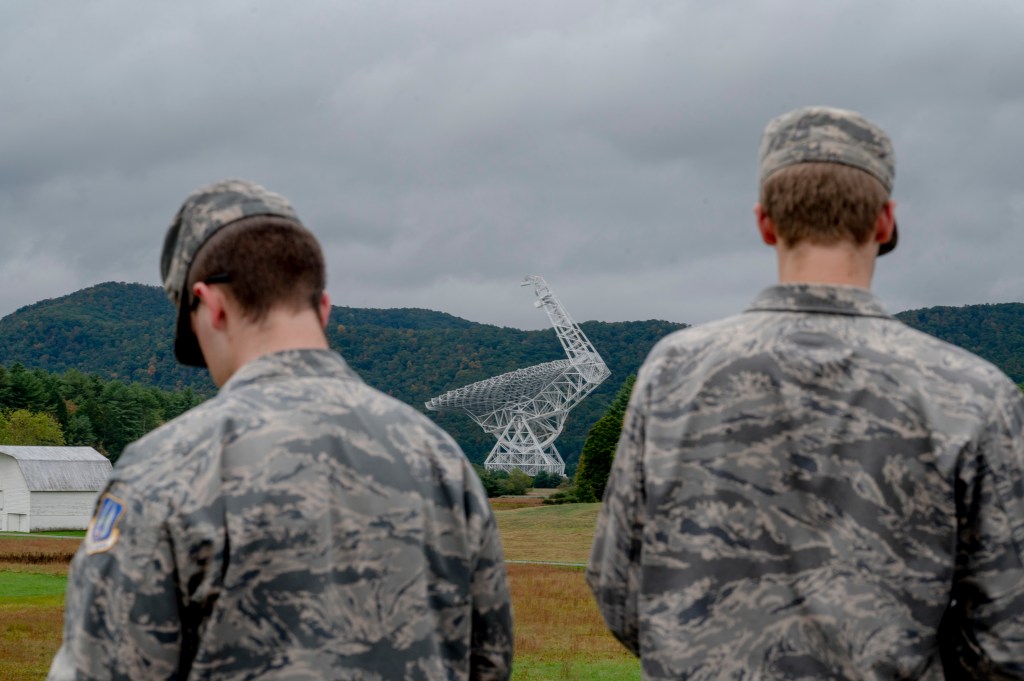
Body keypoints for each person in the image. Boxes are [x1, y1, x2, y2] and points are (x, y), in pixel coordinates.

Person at [587, 107, 1024, 679]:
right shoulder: (972, 394)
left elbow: (619, 587)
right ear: (886, 221)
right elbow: (1006, 634)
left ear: (765, 222)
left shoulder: (674, 372)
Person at [49, 179, 513, 680]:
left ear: (212, 305)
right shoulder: (441, 462)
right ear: (323, 307)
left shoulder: (162, 472)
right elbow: (488, 662)